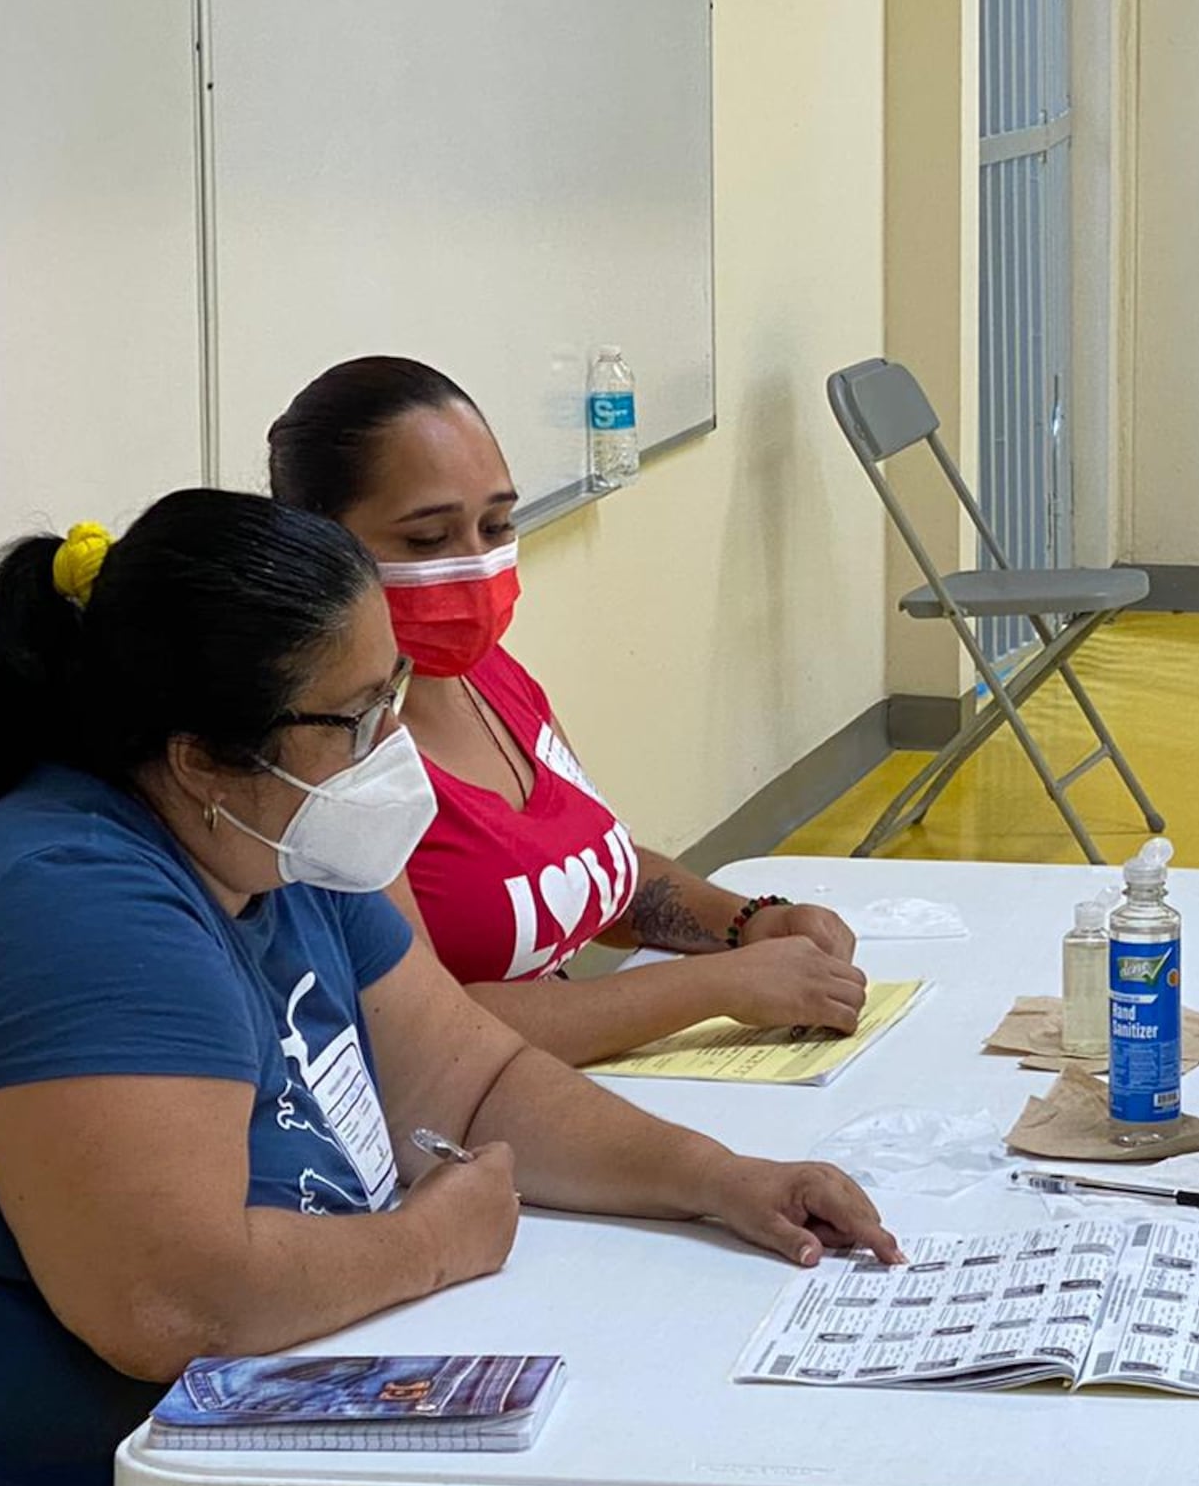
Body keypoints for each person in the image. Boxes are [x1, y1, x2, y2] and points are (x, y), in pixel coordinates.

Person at [0, 491, 900, 1486]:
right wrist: (432, 1242)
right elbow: (170, 1301)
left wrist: (720, 1178)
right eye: (352, 718)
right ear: (202, 754)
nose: (391, 747)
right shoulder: (76, 907)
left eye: (391, 692)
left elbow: (473, 1076)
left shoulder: (278, 851)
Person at [267, 359, 869, 1068]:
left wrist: (747, 923)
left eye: (496, 525)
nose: (478, 565)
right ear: (318, 542)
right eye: (429, 540)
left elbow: (589, 876)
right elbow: (432, 1028)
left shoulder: (488, 677)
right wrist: (715, 985)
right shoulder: (328, 752)